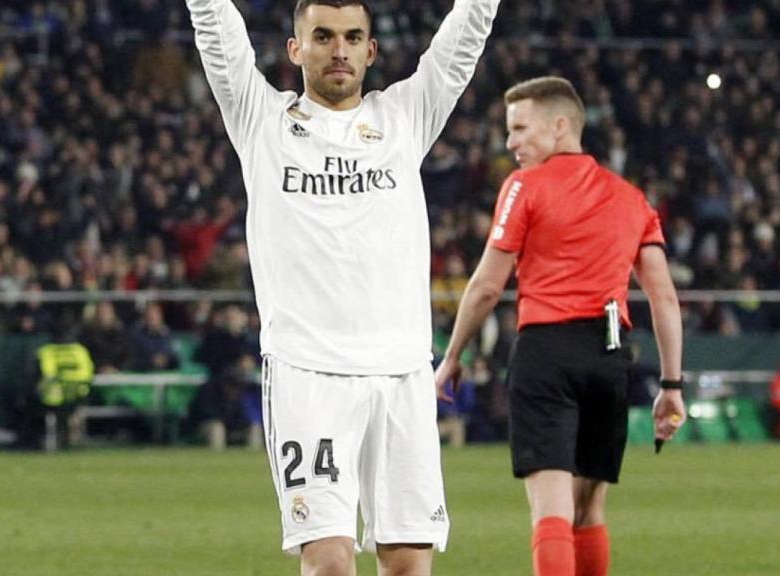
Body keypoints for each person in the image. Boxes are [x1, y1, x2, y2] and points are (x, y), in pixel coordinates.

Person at [184, 0, 500, 573]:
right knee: (330, 560)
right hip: (308, 372)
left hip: (401, 370)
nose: (339, 49)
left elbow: (465, 38)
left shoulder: (403, 118)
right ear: (295, 49)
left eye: (353, 37)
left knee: (408, 563)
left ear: (371, 51)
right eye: (323, 36)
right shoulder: (263, 122)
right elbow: (216, 27)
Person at [433, 76, 687, 576]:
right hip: (610, 354)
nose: (510, 143)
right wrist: (672, 386)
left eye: (520, 128)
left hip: (546, 351)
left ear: (561, 125)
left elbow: (487, 285)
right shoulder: (632, 198)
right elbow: (664, 297)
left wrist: (453, 356)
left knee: (550, 510)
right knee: (589, 509)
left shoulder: (524, 187)